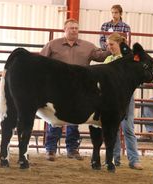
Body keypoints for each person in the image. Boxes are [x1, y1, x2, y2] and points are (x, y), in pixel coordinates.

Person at [40, 18, 111, 161]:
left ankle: (72, 149)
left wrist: (111, 48)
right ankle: (51, 149)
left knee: (75, 118)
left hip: (78, 88)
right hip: (57, 88)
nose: (74, 30)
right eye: (71, 28)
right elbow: (41, 61)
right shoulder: (53, 45)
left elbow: (101, 57)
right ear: (64, 30)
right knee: (54, 119)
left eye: (76, 28)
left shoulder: (88, 46)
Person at [104, 32, 143, 170]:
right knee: (113, 129)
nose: (109, 47)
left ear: (119, 44)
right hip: (111, 98)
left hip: (126, 97)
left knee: (128, 128)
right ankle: (114, 159)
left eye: (112, 44)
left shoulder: (129, 59)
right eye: (108, 45)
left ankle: (134, 160)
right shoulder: (108, 59)